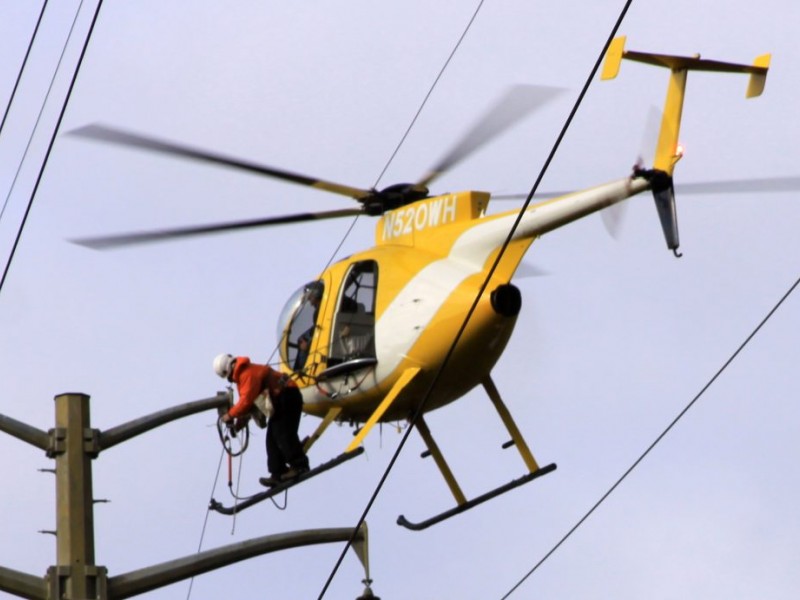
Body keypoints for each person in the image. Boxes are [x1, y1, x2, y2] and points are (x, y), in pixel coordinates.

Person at [213, 353, 309, 486]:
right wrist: (238, 424)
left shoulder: (247, 374)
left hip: (288, 395)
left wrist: (230, 415)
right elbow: (249, 406)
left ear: (227, 371)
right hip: (281, 400)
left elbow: (246, 402)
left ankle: (299, 466)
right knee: (271, 439)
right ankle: (278, 472)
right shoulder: (244, 378)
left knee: (282, 433)